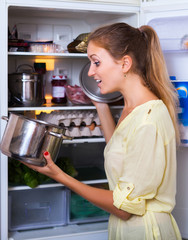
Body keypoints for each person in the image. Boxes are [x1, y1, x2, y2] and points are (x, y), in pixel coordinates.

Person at [23, 22, 182, 239]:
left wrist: (60, 176)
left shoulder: (148, 121)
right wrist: (99, 103)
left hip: (145, 231)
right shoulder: (132, 108)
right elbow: (117, 146)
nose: (90, 71)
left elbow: (125, 209)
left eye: (96, 62)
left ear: (125, 63)